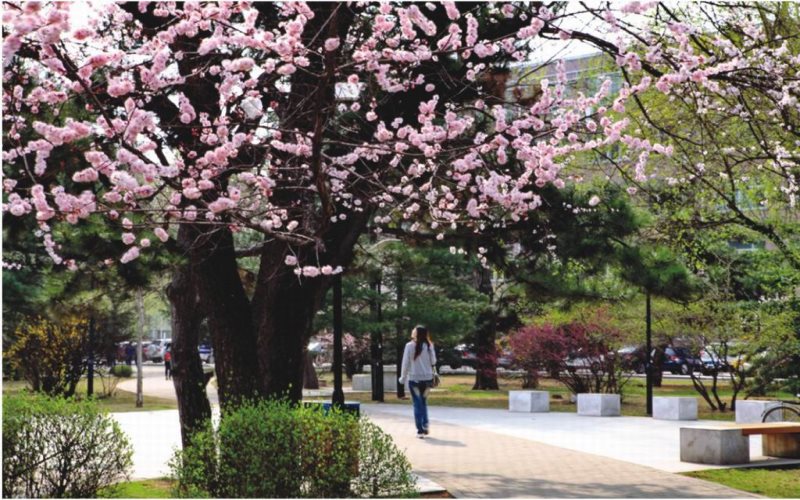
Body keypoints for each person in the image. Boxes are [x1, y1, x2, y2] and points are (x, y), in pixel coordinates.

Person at [399, 325, 437, 439]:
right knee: (423, 402)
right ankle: (425, 425)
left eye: (414, 330)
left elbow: (405, 363)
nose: (412, 331)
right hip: (427, 380)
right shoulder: (429, 346)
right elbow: (434, 361)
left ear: (416, 333)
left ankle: (420, 430)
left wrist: (402, 377)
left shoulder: (409, 346)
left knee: (417, 404)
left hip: (414, 379)